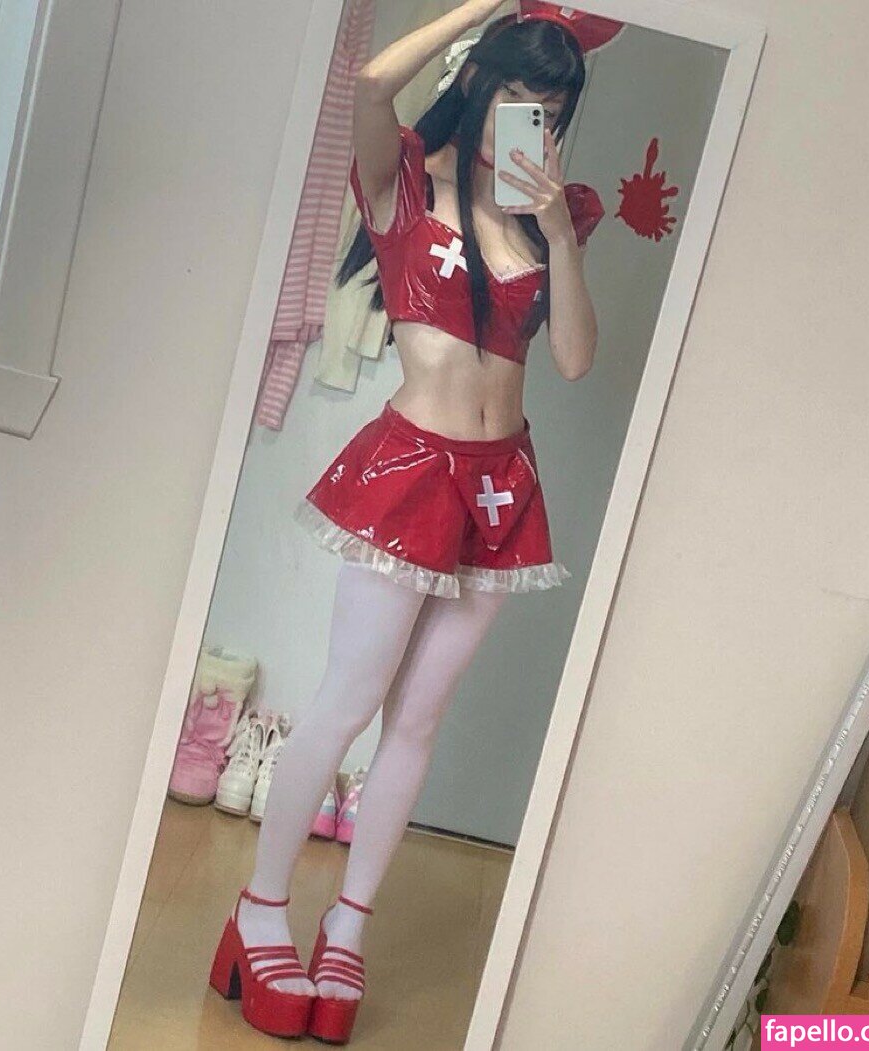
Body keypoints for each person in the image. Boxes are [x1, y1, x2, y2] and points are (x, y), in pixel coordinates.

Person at [209, 1, 611, 1042]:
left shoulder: (546, 220)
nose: (532, 116)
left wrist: (559, 235)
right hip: (409, 472)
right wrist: (486, 7)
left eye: (550, 105)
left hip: (501, 486)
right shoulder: (404, 184)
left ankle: (347, 924)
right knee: (346, 702)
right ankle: (260, 909)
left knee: (418, 721)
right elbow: (371, 84)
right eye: (517, 92)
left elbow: (573, 361)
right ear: (479, 82)